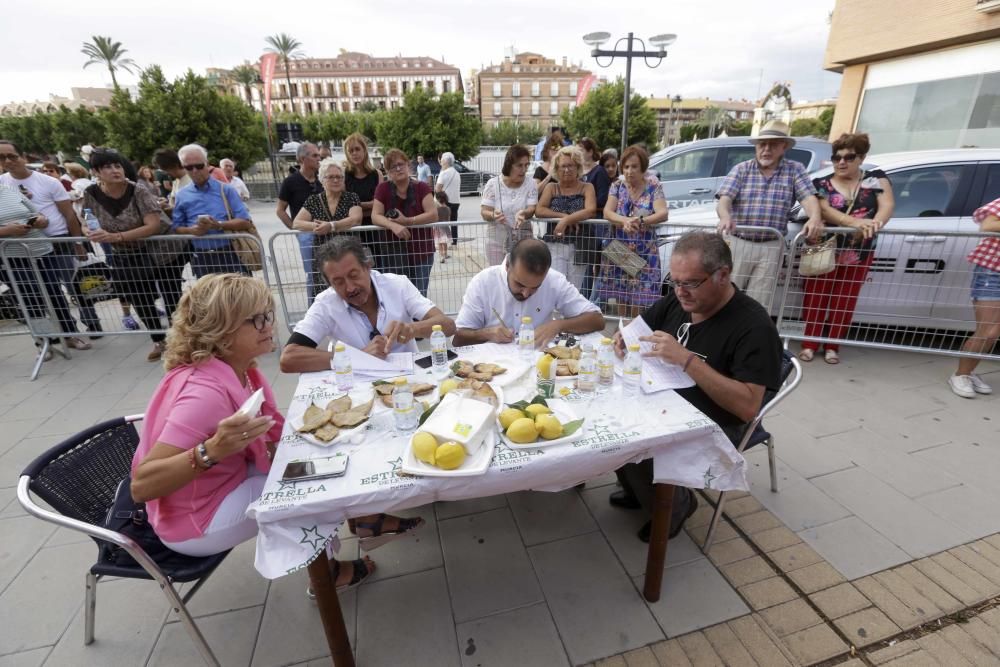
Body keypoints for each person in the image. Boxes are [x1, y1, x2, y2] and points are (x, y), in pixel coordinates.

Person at [129, 274, 379, 592]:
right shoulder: (203, 393)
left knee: (325, 466)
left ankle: (365, 521)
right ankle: (325, 577)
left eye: (268, 314)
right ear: (220, 331)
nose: (268, 325)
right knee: (315, 495)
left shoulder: (241, 368)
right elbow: (141, 486)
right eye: (256, 319)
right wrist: (211, 450)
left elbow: (273, 431)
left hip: (222, 482)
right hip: (194, 520)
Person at [612, 231, 783, 542]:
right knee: (611, 415)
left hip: (717, 423)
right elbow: (641, 326)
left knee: (637, 438)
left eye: (689, 283)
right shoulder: (679, 299)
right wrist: (624, 336)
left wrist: (688, 360)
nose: (680, 292)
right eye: (674, 281)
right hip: (667, 398)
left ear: (723, 275)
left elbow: (747, 407)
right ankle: (639, 490)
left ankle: (676, 507)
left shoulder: (754, 326)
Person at [279, 235, 456, 371]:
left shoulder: (397, 285)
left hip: (410, 379)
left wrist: (413, 329)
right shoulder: (326, 304)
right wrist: (356, 357)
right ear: (329, 284)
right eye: (338, 282)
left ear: (368, 266)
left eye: (354, 275)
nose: (349, 288)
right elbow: (288, 358)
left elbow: (448, 326)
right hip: (355, 386)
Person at [82, 149, 186, 361]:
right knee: (140, 297)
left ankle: (181, 341)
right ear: (96, 172)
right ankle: (158, 340)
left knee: (171, 296)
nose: (115, 171)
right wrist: (89, 232)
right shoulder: (91, 193)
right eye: (108, 167)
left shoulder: (138, 190)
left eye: (117, 166)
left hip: (162, 250)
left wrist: (116, 237)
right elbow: (85, 219)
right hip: (126, 253)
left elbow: (153, 225)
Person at [800, 133, 894, 364]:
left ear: (861, 158)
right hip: (825, 249)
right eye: (836, 157)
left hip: (859, 253)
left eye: (849, 157)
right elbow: (825, 210)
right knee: (816, 297)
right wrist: (855, 223)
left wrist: (874, 224)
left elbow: (887, 206)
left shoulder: (876, 179)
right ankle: (810, 344)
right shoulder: (821, 184)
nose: (841, 162)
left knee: (845, 300)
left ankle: (833, 346)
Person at [716, 120, 823, 306]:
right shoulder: (741, 169)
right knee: (727, 296)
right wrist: (725, 216)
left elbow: (808, 198)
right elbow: (724, 199)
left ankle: (752, 335)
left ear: (784, 147)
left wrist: (814, 218)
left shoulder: (794, 170)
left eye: (772, 145)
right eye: (762, 144)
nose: (766, 149)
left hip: (772, 245)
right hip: (740, 243)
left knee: (759, 302)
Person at [0, 139, 101, 337]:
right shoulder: (3, 183)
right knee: (38, 296)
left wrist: (78, 243)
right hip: (22, 248)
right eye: (2, 158)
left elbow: (69, 214)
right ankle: (56, 336)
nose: (8, 161)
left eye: (12, 156)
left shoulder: (48, 181)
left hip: (58, 240)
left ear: (22, 156)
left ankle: (92, 324)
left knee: (73, 287)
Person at [453, 238, 604, 347]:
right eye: (520, 284)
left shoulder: (553, 280)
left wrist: (559, 325)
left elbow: (597, 320)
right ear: (507, 265)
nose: (525, 293)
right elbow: (458, 338)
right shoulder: (483, 282)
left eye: (535, 288)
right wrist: (486, 334)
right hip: (493, 368)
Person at [0, 185, 87, 358]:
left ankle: (70, 334)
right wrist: (6, 231)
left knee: (54, 293)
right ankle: (44, 341)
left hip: (42, 250)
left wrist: (40, 220)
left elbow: (41, 215)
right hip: (11, 257)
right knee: (30, 299)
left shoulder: (9, 190)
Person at [593, 145, 670, 317]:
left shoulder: (653, 186)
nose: (629, 171)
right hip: (620, 246)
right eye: (626, 167)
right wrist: (625, 221)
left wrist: (641, 221)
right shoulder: (617, 186)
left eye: (634, 166)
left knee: (639, 295)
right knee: (622, 292)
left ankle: (635, 330)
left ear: (643, 167)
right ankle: (622, 327)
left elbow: (663, 213)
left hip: (644, 248)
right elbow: (607, 212)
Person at [171, 144, 254, 278]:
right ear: (183, 168)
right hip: (201, 256)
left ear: (207, 164)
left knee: (238, 297)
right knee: (208, 298)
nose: (194, 171)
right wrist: (192, 230)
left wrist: (219, 224)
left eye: (199, 166)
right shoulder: (182, 194)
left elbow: (245, 221)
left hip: (230, 253)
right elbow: (177, 226)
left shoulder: (226, 190)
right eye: (189, 167)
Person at [949, 196, 1000, 398]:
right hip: (993, 270)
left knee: (994, 333)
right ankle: (960, 374)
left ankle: (969, 372)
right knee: (985, 330)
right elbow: (988, 224)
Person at [371, 148, 438, 296]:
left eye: (401, 164)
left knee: (419, 295)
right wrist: (393, 225)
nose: (398, 168)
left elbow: (433, 214)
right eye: (393, 166)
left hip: (421, 251)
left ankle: (419, 321)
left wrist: (407, 221)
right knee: (396, 296)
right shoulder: (383, 189)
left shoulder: (422, 187)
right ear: (387, 171)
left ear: (408, 165)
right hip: (393, 253)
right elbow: (375, 215)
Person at [293, 159, 362, 299]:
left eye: (339, 177)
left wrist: (330, 226)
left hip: (348, 253)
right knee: (325, 293)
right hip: (322, 255)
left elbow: (356, 219)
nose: (336, 180)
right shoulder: (313, 200)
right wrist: (317, 226)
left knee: (351, 289)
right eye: (331, 177)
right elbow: (297, 223)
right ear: (322, 180)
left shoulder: (351, 198)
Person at [535, 145, 597, 290]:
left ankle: (571, 314)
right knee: (556, 286)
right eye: (563, 166)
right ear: (556, 168)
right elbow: (539, 210)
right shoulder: (551, 188)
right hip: (556, 243)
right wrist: (564, 217)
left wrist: (567, 220)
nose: (567, 170)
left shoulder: (587, 187)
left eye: (571, 165)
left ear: (578, 167)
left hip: (580, 245)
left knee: (573, 289)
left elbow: (591, 210)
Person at [277, 142, 323, 301]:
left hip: (326, 231)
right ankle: (313, 309)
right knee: (313, 274)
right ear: (303, 159)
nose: (319, 158)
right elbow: (280, 210)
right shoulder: (290, 182)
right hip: (307, 234)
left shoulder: (321, 179)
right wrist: (295, 229)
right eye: (315, 155)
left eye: (319, 155)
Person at [480, 144, 538, 266]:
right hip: (496, 240)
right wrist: (493, 215)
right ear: (509, 165)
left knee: (522, 277)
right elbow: (484, 212)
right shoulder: (493, 184)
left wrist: (524, 213)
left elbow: (532, 208)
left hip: (524, 240)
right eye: (519, 165)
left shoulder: (531, 183)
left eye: (526, 165)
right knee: (498, 278)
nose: (524, 169)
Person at [342, 133, 384, 267]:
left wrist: (356, 205)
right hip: (351, 228)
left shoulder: (376, 174)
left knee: (377, 266)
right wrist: (368, 205)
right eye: (351, 151)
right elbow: (343, 204)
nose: (354, 153)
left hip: (374, 227)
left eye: (357, 149)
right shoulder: (344, 175)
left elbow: (379, 204)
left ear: (364, 150)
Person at [435, 151, 461, 245]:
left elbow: (437, 189)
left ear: (445, 161)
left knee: (442, 223)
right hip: (456, 201)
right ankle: (454, 241)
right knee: (454, 222)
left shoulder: (444, 173)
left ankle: (444, 242)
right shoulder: (457, 173)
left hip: (445, 201)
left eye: (442, 160)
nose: (441, 162)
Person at [434, 191, 452, 263]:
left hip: (438, 227)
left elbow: (435, 218)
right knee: (445, 242)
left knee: (439, 243)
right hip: (446, 227)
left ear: (437, 199)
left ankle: (441, 256)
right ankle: (445, 254)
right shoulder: (448, 208)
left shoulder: (437, 209)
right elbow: (448, 219)